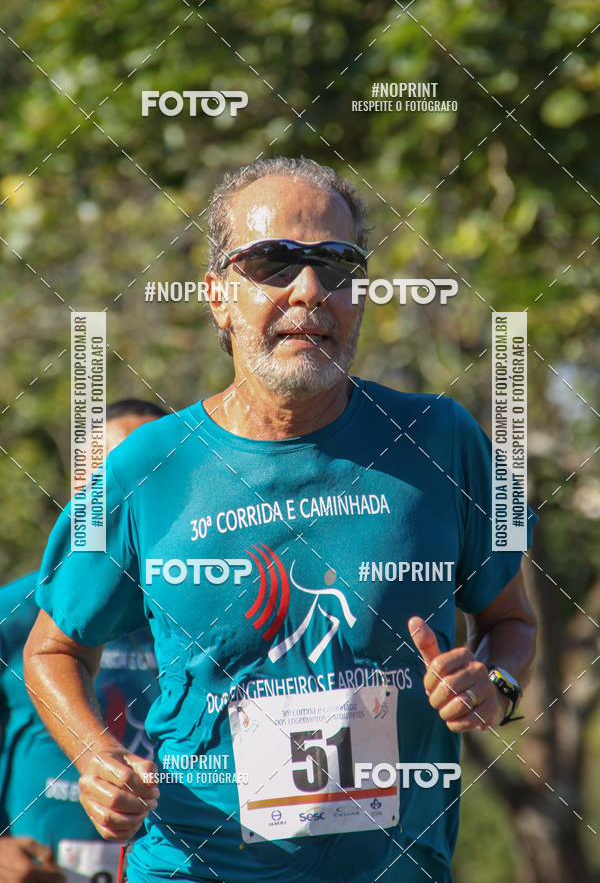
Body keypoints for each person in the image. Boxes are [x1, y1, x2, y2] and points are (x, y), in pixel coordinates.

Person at [24, 158, 537, 883]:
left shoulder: (439, 438)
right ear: (217, 298)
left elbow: (511, 620)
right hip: (193, 868)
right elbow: (52, 650)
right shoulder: (147, 466)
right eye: (272, 262)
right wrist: (95, 758)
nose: (309, 291)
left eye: (337, 265)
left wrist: (495, 682)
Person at [0, 400, 166, 882]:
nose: (123, 496)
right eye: (104, 477)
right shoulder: (15, 616)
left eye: (149, 477)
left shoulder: (212, 615)